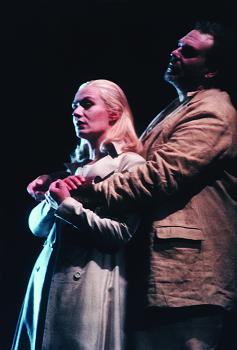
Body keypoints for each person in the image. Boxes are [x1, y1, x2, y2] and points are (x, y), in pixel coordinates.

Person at [26, 21, 237, 349]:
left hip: (186, 278)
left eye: (189, 51)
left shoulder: (213, 112)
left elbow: (159, 176)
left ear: (211, 71)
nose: (175, 52)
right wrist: (59, 182)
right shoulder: (179, 109)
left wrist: (87, 191)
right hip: (159, 276)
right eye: (178, 45)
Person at [11, 79, 145, 350]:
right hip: (47, 278)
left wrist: (68, 205)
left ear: (114, 112)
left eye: (86, 104)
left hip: (90, 280)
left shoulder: (129, 164)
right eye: (74, 106)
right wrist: (54, 198)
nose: (76, 112)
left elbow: (120, 233)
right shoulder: (74, 168)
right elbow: (36, 227)